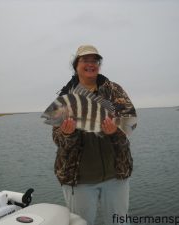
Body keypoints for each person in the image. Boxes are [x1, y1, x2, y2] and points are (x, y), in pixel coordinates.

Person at [52, 45, 136, 225]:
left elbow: (130, 122)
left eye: (95, 61)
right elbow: (57, 139)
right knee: (81, 223)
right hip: (78, 178)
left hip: (116, 174)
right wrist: (67, 134)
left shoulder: (114, 90)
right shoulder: (66, 96)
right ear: (76, 65)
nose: (91, 64)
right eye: (85, 60)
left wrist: (115, 132)